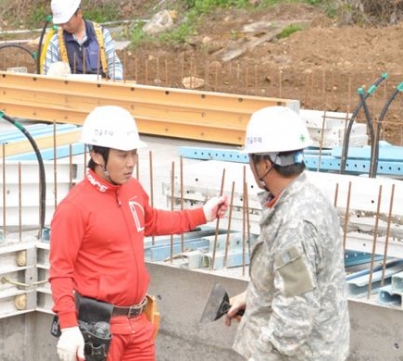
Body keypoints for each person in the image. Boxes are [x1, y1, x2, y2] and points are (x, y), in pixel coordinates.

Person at [49, 105, 229, 361]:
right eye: (123, 155)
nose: (131, 163)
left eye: (134, 153)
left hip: (138, 325)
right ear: (98, 156)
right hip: (99, 332)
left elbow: (151, 220)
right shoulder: (74, 208)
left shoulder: (132, 189)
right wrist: (68, 326)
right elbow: (60, 272)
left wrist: (203, 214)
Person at [224, 106, 350, 360]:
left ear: (266, 164)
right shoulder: (308, 198)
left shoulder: (294, 224)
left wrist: (260, 354)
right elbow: (301, 281)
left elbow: (295, 318)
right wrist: (256, 297)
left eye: (252, 159)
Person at [43, 0, 124, 80]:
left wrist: (116, 82)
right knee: (57, 67)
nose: (64, 26)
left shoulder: (101, 34)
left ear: (79, 13)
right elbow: (47, 72)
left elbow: (113, 64)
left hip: (99, 88)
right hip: (70, 89)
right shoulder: (56, 40)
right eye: (61, 23)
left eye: (67, 22)